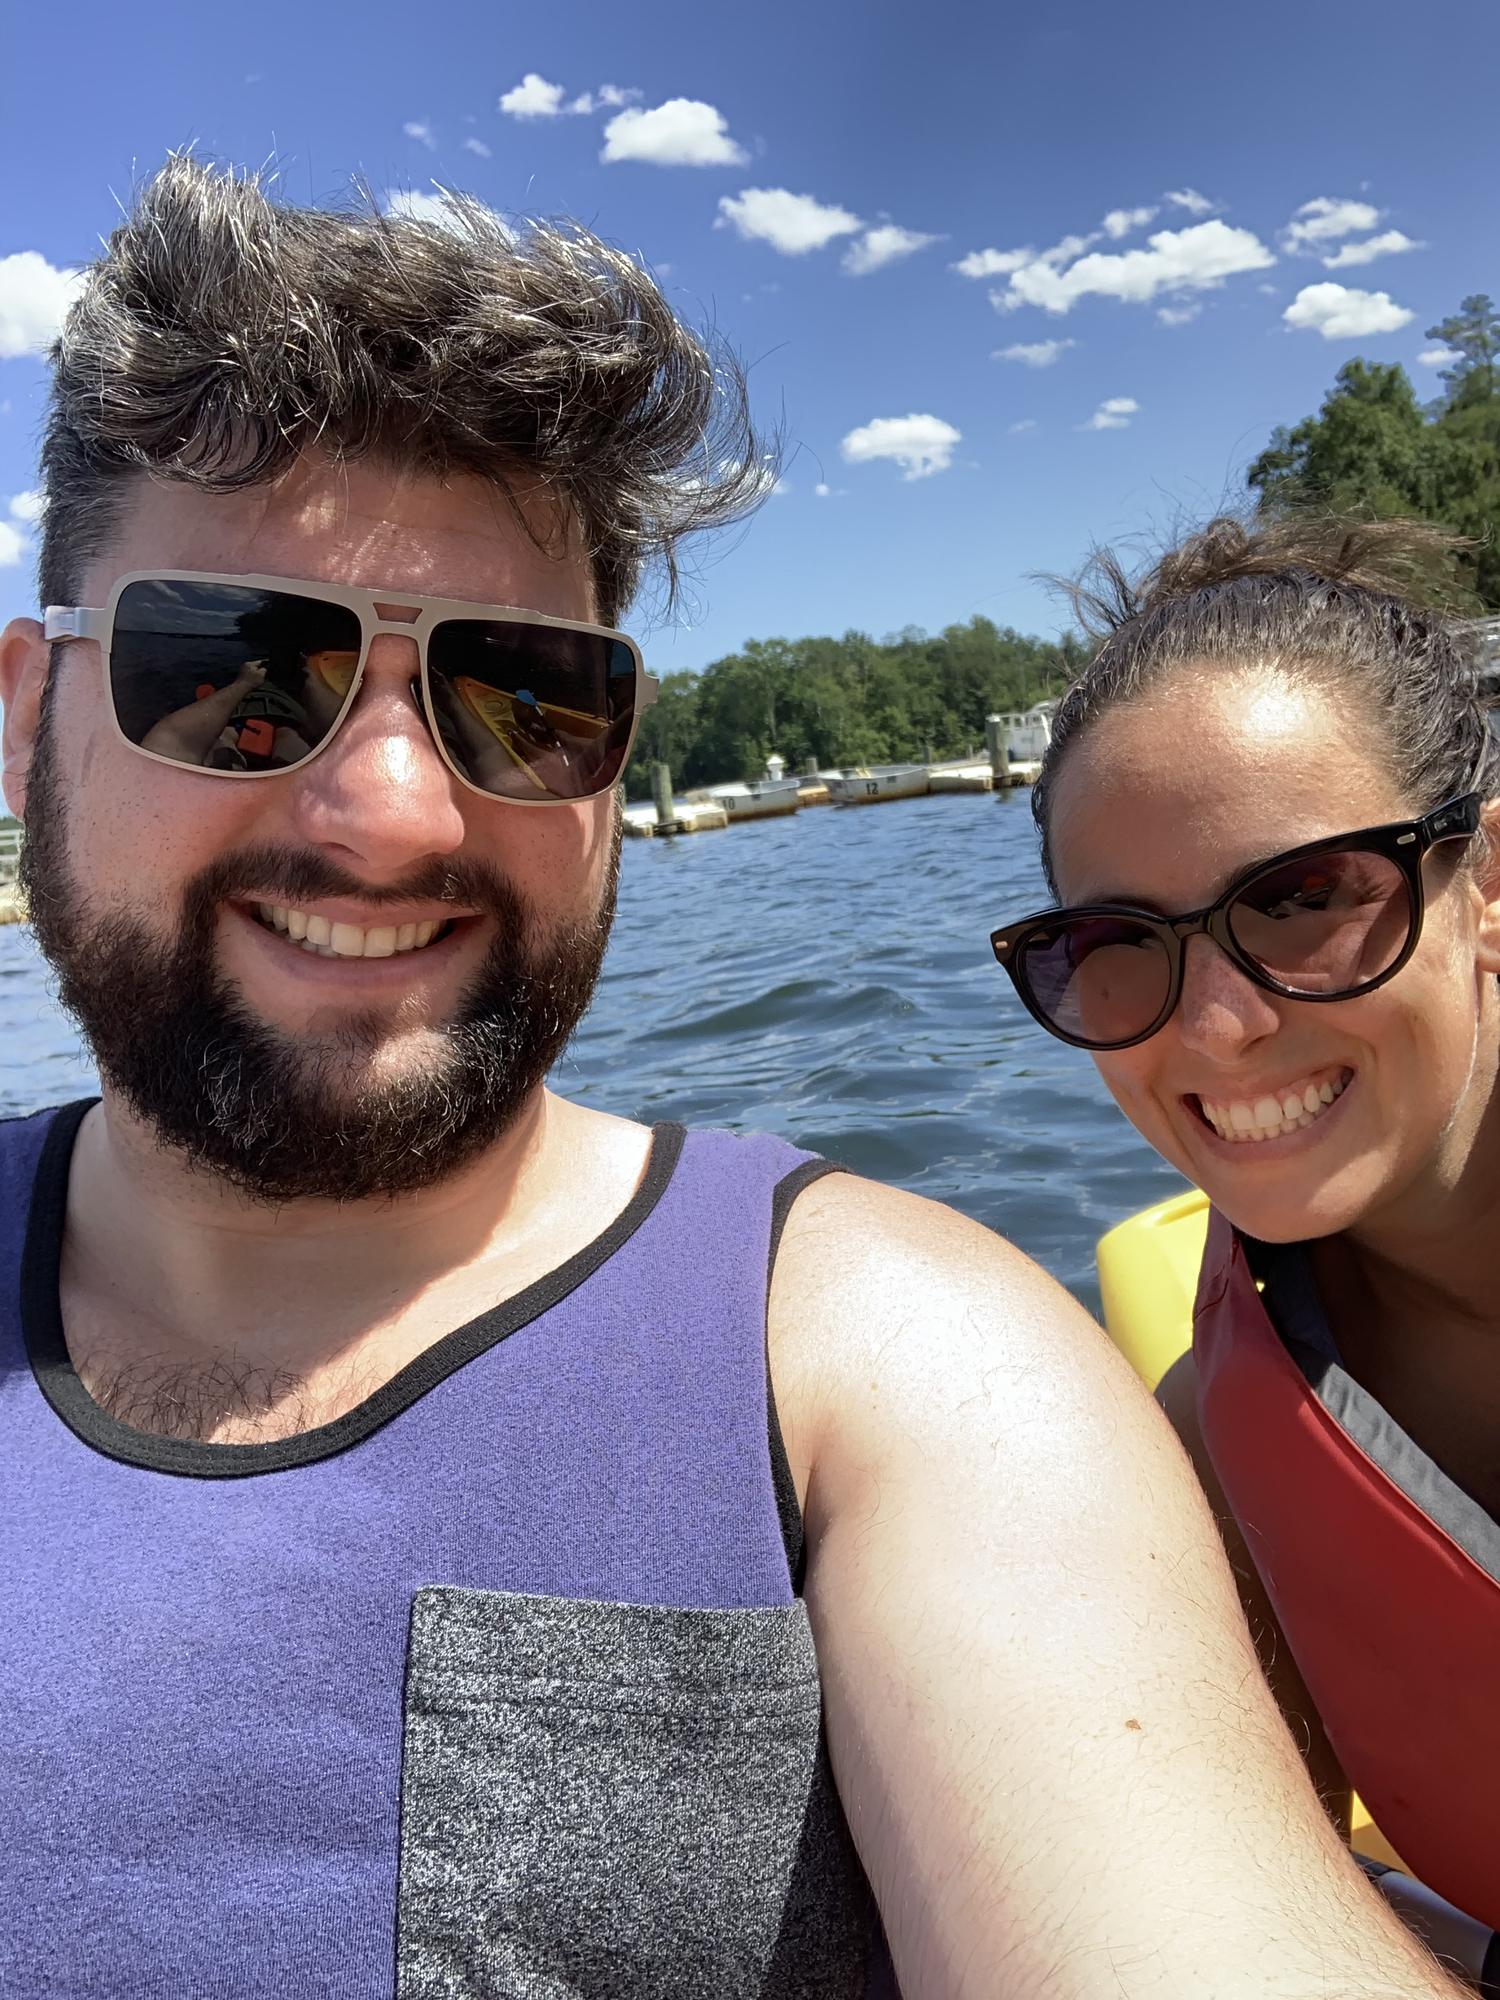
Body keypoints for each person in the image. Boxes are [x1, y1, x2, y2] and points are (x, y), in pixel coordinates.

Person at [0, 164, 1467, 2000]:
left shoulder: (894, 1378)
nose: (387, 812)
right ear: (24, 715)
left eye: (522, 698)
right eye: (234, 675)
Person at [990, 515, 1500, 1972]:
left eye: (1305, 898)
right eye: (1120, 946)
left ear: (1490, 887)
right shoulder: (1220, 1451)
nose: (1218, 1029)